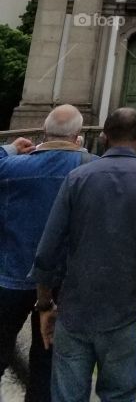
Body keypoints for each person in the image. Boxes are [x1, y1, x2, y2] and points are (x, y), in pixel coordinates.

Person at [31, 107, 136, 402]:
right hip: (124, 313)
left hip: (74, 311)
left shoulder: (77, 178)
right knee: (120, 396)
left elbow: (47, 252)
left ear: (103, 137)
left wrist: (44, 304)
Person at [0, 106, 92, 402]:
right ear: (78, 137)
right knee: (45, 364)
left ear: (43, 132)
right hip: (60, 283)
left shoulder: (13, 168)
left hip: (11, 278)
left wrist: (11, 149)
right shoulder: (87, 172)